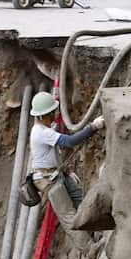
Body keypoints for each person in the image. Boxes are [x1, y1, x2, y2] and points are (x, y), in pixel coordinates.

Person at [28, 90, 104, 228]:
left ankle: (95, 229)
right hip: (48, 179)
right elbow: (69, 142)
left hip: (55, 174)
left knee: (79, 200)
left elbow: (53, 156)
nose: (54, 115)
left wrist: (67, 172)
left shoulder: (43, 129)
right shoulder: (42, 132)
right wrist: (92, 127)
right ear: (42, 116)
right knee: (69, 216)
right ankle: (87, 247)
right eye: (51, 113)